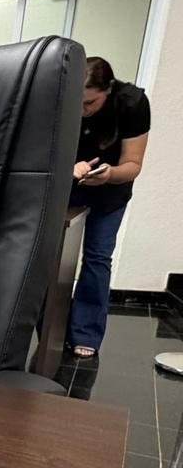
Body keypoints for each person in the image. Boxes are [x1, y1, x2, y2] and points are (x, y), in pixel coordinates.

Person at [67, 56, 151, 358]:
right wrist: (69, 167)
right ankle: (50, 328)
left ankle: (85, 332)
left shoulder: (132, 104)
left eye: (90, 103)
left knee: (97, 257)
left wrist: (109, 174)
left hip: (110, 186)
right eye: (77, 103)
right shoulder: (62, 96)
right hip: (69, 182)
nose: (82, 111)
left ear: (109, 89)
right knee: (53, 256)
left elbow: (133, 164)